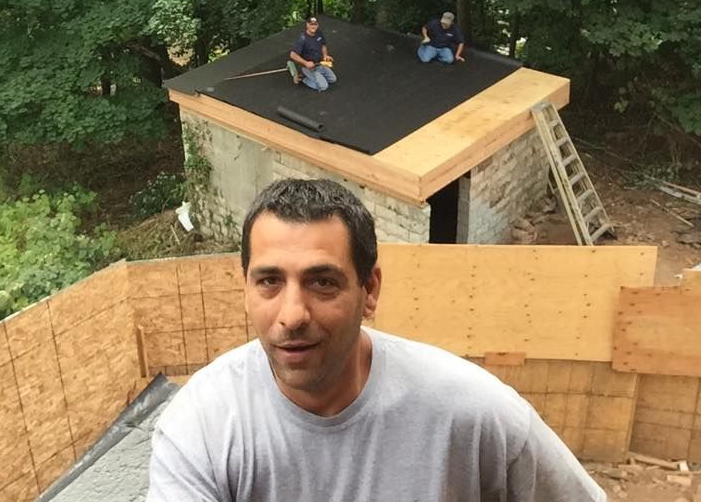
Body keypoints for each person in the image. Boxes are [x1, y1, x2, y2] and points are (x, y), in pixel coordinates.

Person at [147, 179, 606, 502]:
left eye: (323, 283)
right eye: (269, 281)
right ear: (245, 288)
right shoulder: (203, 427)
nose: (292, 315)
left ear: (370, 290)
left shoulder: (473, 413)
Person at [287, 16, 337, 91]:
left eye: (315, 24)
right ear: (307, 25)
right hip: (308, 67)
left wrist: (325, 55)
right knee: (323, 86)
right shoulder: (303, 39)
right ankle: (303, 78)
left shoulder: (319, 33)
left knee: (333, 79)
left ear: (318, 25)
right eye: (311, 24)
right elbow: (292, 54)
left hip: (319, 64)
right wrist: (306, 63)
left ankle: (316, 77)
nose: (313, 26)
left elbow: (323, 45)